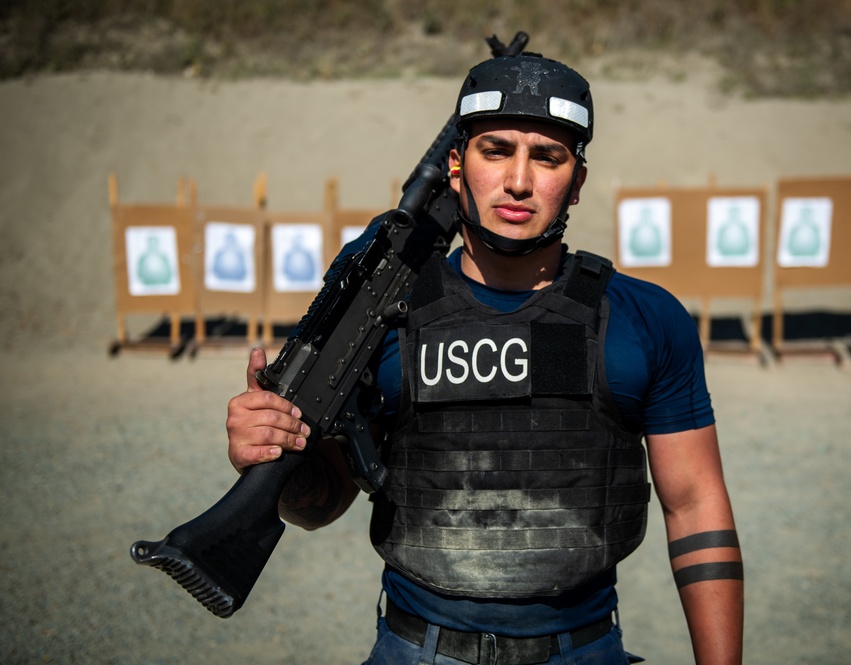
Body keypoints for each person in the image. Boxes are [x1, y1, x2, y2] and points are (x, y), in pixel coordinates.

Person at [226, 51, 743, 664]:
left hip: (584, 648)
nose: (519, 181)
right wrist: (270, 456)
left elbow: (695, 505)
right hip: (416, 646)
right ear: (456, 165)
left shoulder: (644, 320)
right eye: (496, 150)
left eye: (547, 157)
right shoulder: (382, 318)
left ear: (576, 181)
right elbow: (318, 503)